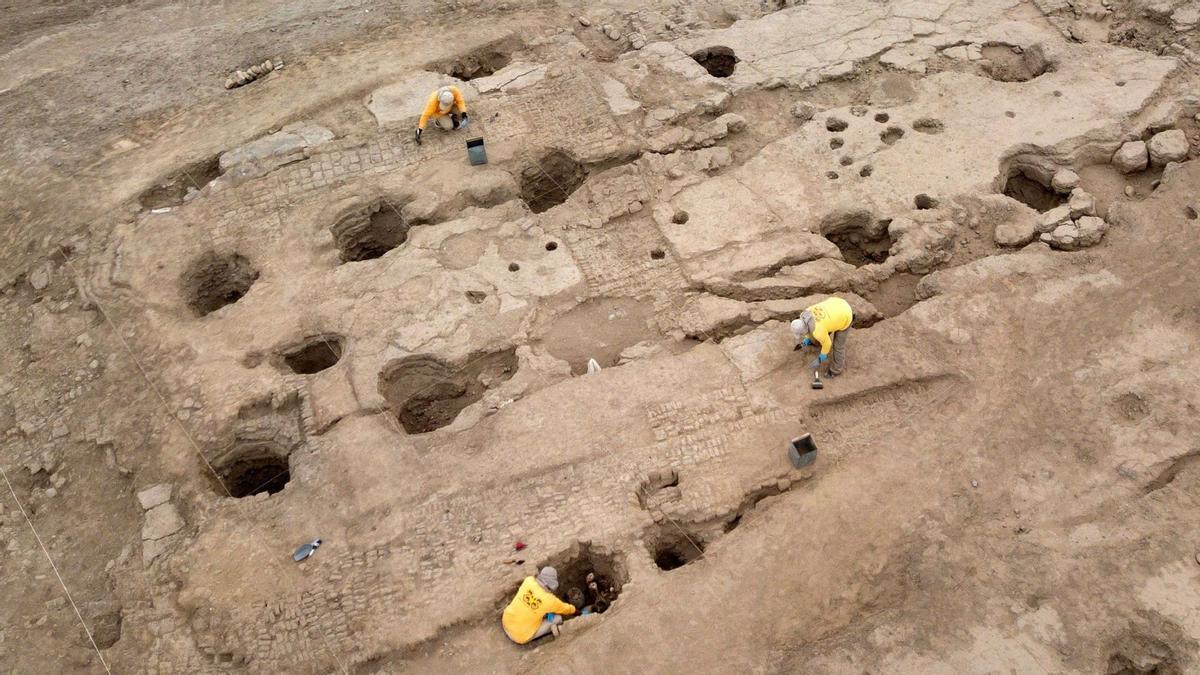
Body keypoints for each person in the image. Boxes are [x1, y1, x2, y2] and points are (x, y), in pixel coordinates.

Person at [502, 566, 577, 644]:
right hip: (520, 636)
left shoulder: (529, 580)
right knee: (558, 618)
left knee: (541, 612)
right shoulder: (551, 600)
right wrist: (578, 612)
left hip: (506, 620)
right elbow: (568, 609)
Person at [791, 296, 854, 377]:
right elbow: (807, 329)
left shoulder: (818, 331)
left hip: (845, 315)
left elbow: (827, 344)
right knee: (823, 329)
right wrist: (807, 340)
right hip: (836, 303)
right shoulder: (805, 313)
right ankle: (816, 342)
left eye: (801, 334)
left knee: (838, 346)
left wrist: (821, 357)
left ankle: (836, 370)